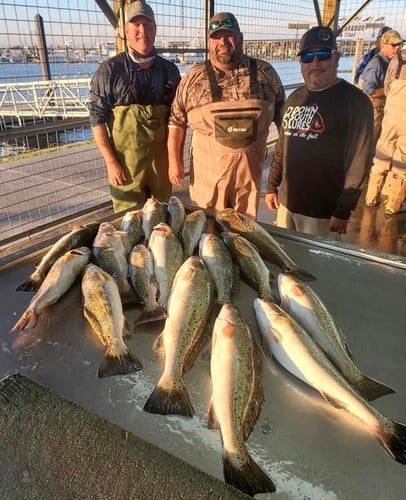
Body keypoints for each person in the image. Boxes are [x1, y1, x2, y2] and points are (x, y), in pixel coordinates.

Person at [167, 12, 285, 220]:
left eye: (228, 35)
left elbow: (284, 121)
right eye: (216, 36)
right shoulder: (194, 77)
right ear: (209, 42)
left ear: (239, 38)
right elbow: (176, 121)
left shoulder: (265, 72)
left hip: (248, 182)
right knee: (206, 232)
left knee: (245, 233)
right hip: (207, 181)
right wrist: (174, 161)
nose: (222, 41)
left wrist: (280, 171)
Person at [265, 26, 374, 237]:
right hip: (287, 205)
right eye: (307, 56)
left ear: (337, 57)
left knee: (318, 268)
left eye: (323, 54)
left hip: (324, 213)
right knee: (287, 262)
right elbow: (282, 147)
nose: (315, 62)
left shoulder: (356, 101)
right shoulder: (295, 97)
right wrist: (271, 186)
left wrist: (344, 209)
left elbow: (360, 162)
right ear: (301, 62)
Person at [88, 0, 181, 213]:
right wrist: (111, 162)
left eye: (148, 24)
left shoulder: (170, 71)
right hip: (126, 168)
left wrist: (175, 161)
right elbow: (96, 118)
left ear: (155, 29)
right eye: (136, 25)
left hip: (161, 166)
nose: (142, 30)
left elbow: (179, 119)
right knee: (128, 223)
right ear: (126, 32)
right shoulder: (109, 71)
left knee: (162, 222)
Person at [365, 49, 406, 215]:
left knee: (382, 152)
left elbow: (388, 86)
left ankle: (371, 197)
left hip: (391, 113)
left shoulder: (399, 58)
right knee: (402, 158)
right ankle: (393, 205)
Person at [361, 29, 402, 147]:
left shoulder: (389, 62)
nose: (397, 48)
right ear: (383, 45)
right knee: (371, 141)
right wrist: (390, 91)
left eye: (399, 45)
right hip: (374, 110)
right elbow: (369, 90)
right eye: (393, 45)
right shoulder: (376, 65)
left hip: (381, 109)